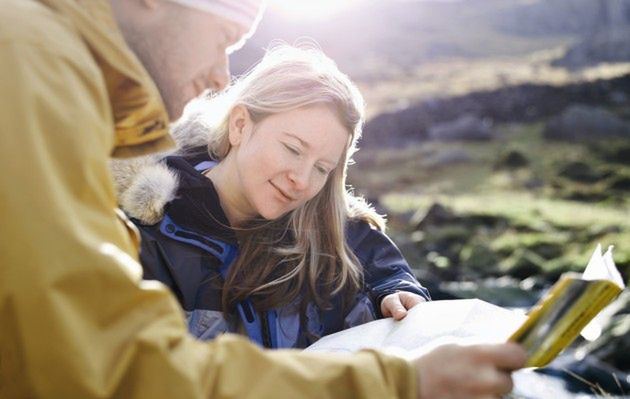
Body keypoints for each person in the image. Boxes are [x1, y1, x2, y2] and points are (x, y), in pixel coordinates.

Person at [0, 0, 527, 398]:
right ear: (240, 125)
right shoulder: (35, 66)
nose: (218, 76)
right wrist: (396, 384)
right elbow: (109, 364)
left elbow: (373, 259)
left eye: (323, 168)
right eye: (224, 38)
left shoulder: (341, 234)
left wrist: (399, 294)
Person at [112, 45, 431, 348]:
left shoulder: (341, 242)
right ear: (239, 126)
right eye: (293, 149)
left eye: (322, 168)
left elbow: (378, 268)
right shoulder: (137, 238)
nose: (302, 180)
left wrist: (392, 293)